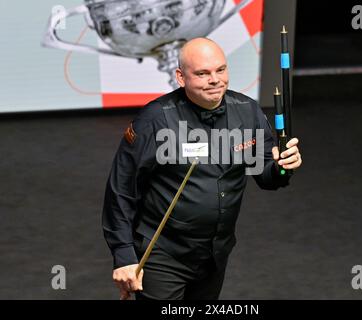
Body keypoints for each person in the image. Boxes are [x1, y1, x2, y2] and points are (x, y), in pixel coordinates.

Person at [102, 38, 302, 300]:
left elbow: (266, 175)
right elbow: (121, 190)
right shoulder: (155, 120)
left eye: (220, 70)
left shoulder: (247, 111)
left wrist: (282, 167)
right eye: (202, 73)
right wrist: (124, 254)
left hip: (214, 254)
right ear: (181, 77)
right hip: (162, 254)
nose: (215, 79)